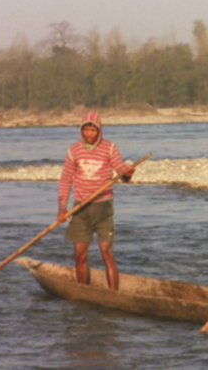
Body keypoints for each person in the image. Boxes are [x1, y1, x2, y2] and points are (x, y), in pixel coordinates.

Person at [56, 111, 135, 290]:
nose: (90, 134)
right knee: (79, 254)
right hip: (81, 209)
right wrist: (62, 208)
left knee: (106, 252)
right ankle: (83, 292)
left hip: (104, 208)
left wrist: (127, 173)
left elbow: (122, 174)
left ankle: (113, 294)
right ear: (81, 131)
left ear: (99, 131)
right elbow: (66, 180)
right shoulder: (73, 151)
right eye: (87, 130)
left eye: (93, 130)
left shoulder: (109, 148)